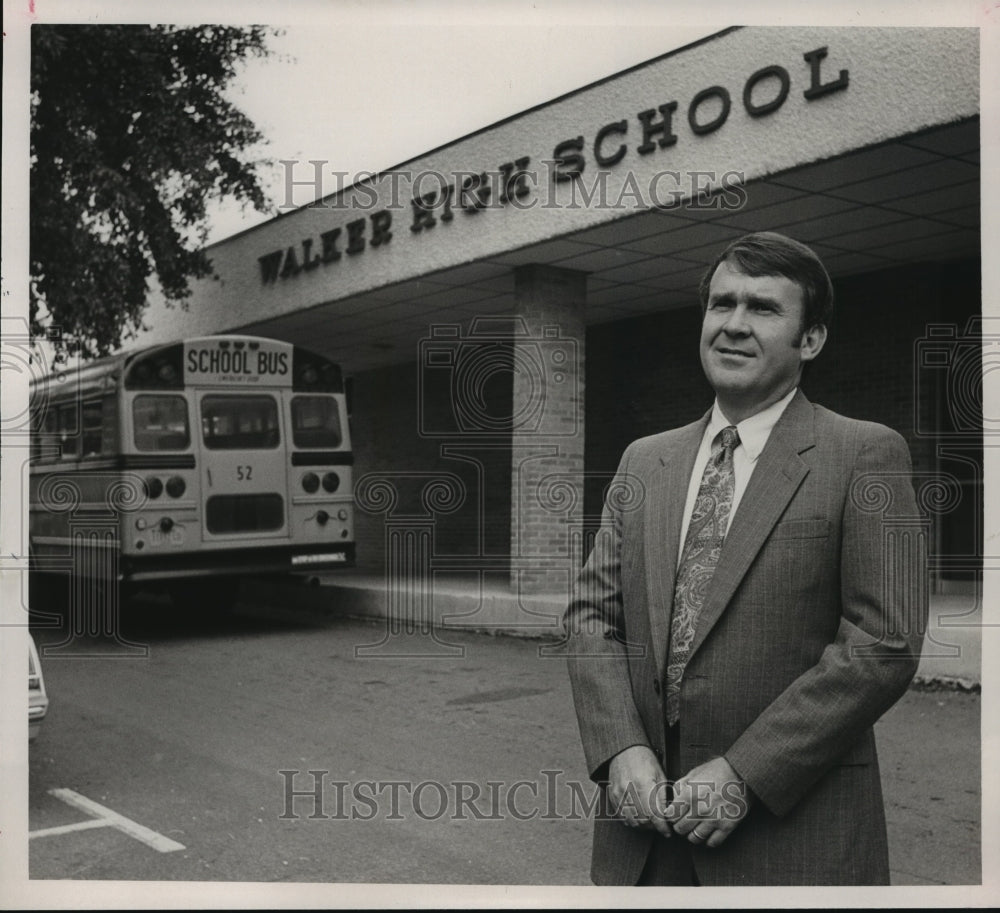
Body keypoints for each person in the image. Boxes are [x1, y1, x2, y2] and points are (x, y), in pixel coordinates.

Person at [564, 231, 926, 886]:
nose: (733, 324)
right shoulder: (645, 459)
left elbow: (884, 641)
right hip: (643, 839)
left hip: (788, 839)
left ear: (809, 339)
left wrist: (745, 771)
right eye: (721, 304)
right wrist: (619, 748)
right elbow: (593, 617)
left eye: (762, 308)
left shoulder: (866, 454)